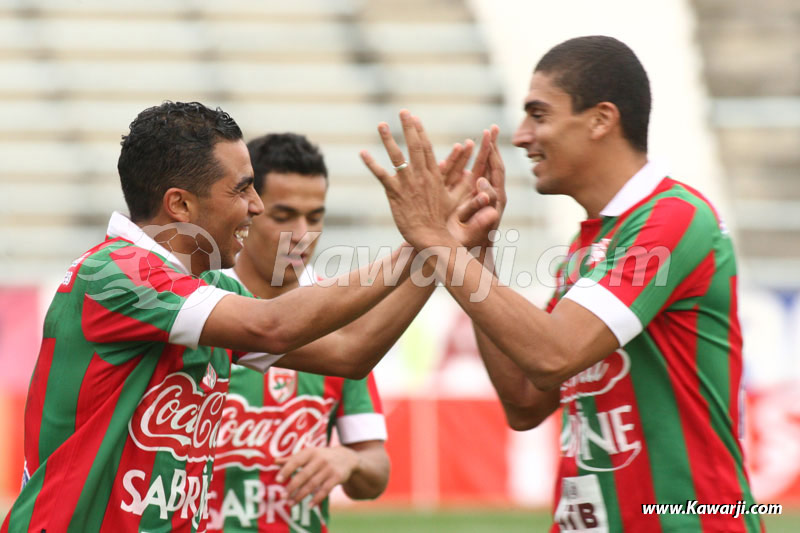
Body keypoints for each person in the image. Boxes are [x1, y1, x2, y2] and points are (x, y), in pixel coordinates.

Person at [2, 101, 498, 532]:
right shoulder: (115, 273)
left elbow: (351, 352)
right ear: (180, 204)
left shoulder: (209, 291)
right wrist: (423, 241)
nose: (256, 208)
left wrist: (439, 247)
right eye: (242, 190)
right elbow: (274, 324)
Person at [365, 36, 761, 532]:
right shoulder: (586, 243)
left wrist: (431, 237)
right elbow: (527, 401)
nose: (521, 135)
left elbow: (556, 353)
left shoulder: (674, 218)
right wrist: (476, 251)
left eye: (539, 114)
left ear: (600, 119)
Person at [206, 133, 389, 532]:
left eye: (316, 217)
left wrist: (349, 460)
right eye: (284, 216)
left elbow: (376, 472)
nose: (302, 234)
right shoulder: (202, 305)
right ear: (248, 210)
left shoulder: (338, 318)